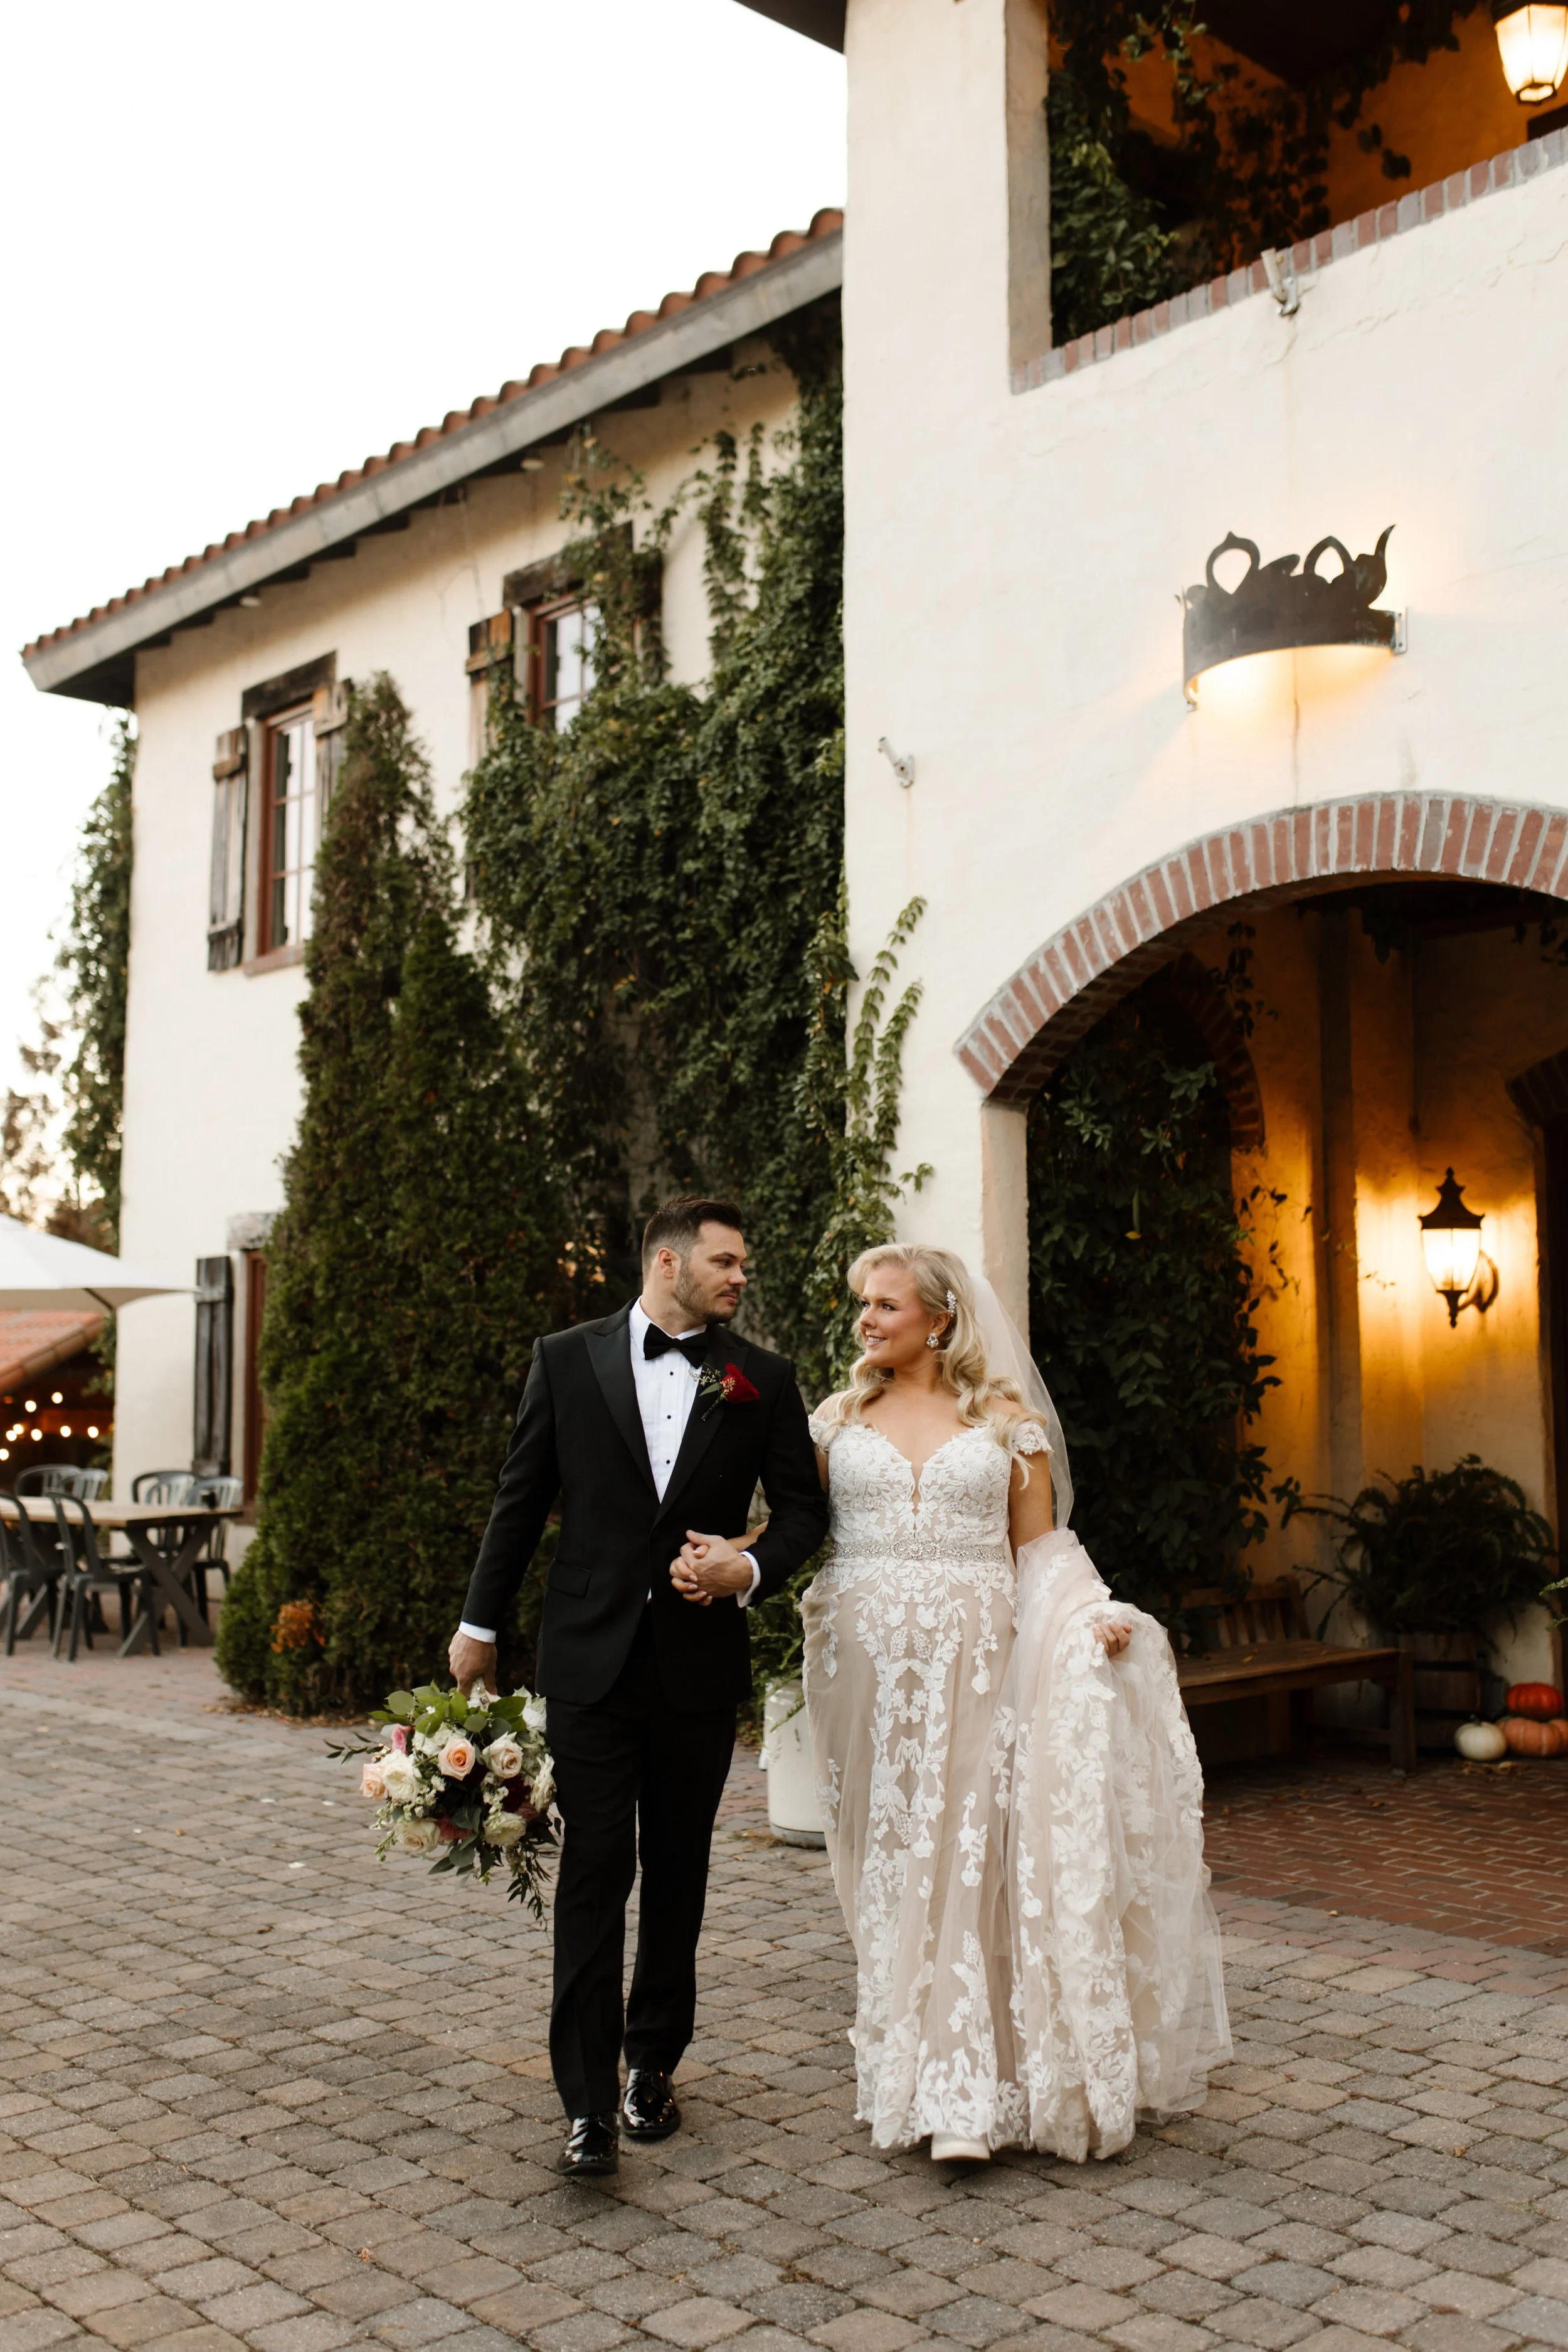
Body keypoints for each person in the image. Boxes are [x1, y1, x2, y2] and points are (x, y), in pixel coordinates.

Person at [795, 1241, 1230, 2165]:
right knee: (888, 1866)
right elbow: (796, 1528)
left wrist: (1090, 1614)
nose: (866, 1320)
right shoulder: (835, 1419)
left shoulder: (1005, 1424)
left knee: (967, 1854)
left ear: (940, 1320)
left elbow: (1040, 1552)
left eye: (885, 1305)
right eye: (863, 1305)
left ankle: (962, 2091)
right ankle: (901, 2064)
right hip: (861, 1674)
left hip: (978, 1662)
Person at [449, 1197, 829, 2179]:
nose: (742, 1276)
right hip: (589, 1660)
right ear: (669, 1261)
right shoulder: (565, 1358)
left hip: (697, 1667)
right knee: (594, 1871)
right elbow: (520, 1495)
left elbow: (800, 1515)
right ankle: (584, 2103)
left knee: (678, 1872)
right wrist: (478, 1626)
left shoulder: (763, 1380)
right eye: (727, 1260)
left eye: (744, 1263)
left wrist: (744, 1572)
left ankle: (652, 2060)